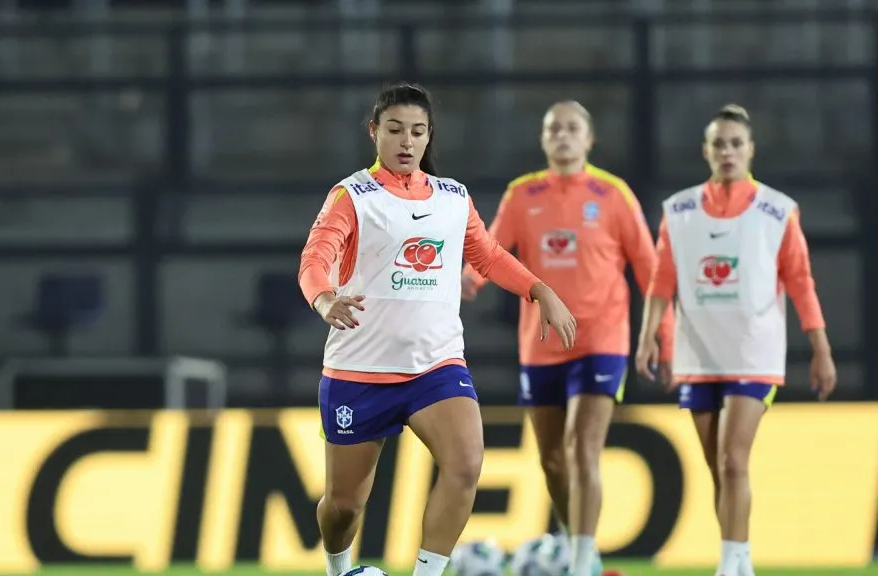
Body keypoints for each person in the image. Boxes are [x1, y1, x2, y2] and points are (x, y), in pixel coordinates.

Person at [298, 83, 577, 576]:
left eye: (417, 131)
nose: (406, 141)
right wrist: (324, 299)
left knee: (466, 463)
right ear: (374, 132)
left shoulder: (453, 197)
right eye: (395, 130)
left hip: (435, 366)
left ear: (429, 137)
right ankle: (339, 569)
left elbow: (487, 255)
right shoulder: (352, 196)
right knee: (343, 508)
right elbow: (314, 259)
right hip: (360, 370)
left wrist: (539, 290)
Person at [461, 100, 674, 576]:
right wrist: (468, 280)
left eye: (572, 128)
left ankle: (579, 561)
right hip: (540, 345)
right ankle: (578, 544)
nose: (562, 135)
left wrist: (666, 337)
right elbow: (490, 251)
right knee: (552, 460)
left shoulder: (613, 195)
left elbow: (649, 267)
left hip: (602, 339)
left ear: (589, 139)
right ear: (543, 139)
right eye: (553, 128)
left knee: (581, 448)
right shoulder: (523, 195)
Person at [635, 104, 837, 576]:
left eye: (736, 143)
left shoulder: (777, 211)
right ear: (706, 151)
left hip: (753, 352)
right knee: (718, 468)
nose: (727, 151)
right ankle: (740, 558)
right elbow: (662, 281)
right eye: (719, 144)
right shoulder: (679, 211)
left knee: (732, 461)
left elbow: (801, 281)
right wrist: (649, 337)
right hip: (698, 353)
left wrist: (821, 348)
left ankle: (730, 564)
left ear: (751, 150)